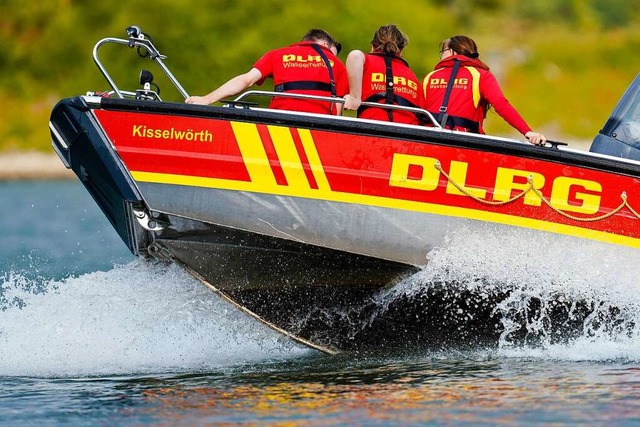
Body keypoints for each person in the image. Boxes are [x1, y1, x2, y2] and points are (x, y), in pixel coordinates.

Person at [186, 29, 348, 115]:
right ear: (324, 43)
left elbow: (245, 80)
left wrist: (206, 99)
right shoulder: (337, 64)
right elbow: (338, 110)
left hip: (278, 122)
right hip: (318, 127)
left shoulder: (277, 54)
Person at [422, 35, 546, 145]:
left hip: (428, 138)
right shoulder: (481, 75)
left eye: (442, 51)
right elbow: (501, 104)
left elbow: (419, 112)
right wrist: (527, 132)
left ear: (453, 52)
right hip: (465, 141)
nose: (441, 56)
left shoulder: (430, 77)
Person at [343, 24, 425, 125]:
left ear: (372, 46)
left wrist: (354, 97)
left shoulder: (365, 65)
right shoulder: (412, 77)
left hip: (371, 130)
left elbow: (355, 55)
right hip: (406, 135)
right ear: (401, 51)